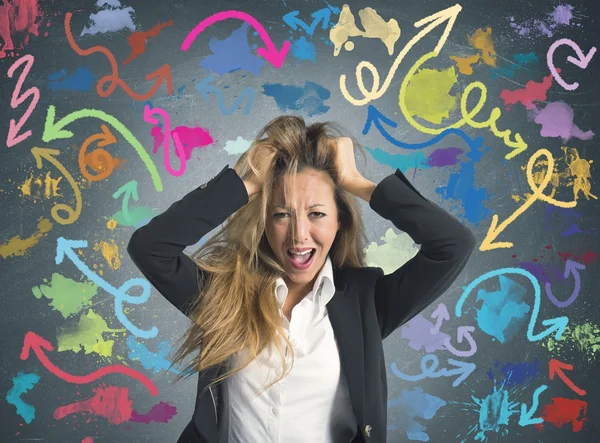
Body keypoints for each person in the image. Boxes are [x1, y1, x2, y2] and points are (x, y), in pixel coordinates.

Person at [127, 115, 476, 443]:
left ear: (340, 221)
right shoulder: (225, 297)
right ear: (264, 223)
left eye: (317, 214)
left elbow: (452, 245)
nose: (299, 235)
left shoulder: (366, 302)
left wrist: (356, 182)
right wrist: (244, 185)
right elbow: (150, 247)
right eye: (281, 215)